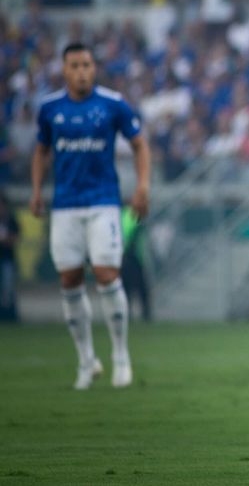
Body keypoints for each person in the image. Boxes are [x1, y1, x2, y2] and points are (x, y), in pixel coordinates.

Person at [30, 42, 151, 389]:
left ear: (94, 68)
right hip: (65, 205)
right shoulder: (50, 108)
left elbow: (140, 144)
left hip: (103, 202)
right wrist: (36, 190)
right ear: (64, 70)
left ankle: (121, 356)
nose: (81, 71)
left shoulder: (112, 104)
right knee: (69, 280)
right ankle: (86, 361)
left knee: (106, 273)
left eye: (86, 65)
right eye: (75, 65)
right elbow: (41, 151)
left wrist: (143, 186)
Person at [120, 205, 152, 322]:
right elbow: (136, 231)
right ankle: (143, 314)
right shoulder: (131, 214)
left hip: (128, 257)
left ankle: (137, 314)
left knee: (130, 289)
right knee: (139, 288)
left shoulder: (121, 214)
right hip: (132, 257)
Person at [0, 190, 19, 322]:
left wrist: (5, 239)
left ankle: (9, 315)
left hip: (7, 259)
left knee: (7, 289)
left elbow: (16, 237)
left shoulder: (10, 219)